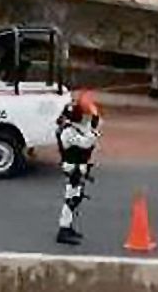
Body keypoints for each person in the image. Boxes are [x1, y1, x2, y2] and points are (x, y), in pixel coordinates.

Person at [55, 93, 100, 245]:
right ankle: (63, 229)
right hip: (72, 168)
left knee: (76, 198)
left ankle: (68, 226)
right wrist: (94, 130)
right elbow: (86, 143)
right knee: (70, 200)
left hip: (78, 168)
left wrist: (94, 119)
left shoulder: (74, 128)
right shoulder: (68, 132)